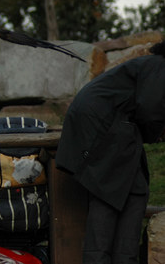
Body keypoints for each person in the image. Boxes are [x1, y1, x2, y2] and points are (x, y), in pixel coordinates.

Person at [56, 40, 165, 264]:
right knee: (110, 191)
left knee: (136, 187)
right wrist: (158, 134)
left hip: (108, 126)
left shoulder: (147, 66)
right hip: (102, 124)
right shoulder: (159, 65)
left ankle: (124, 257)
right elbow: (150, 110)